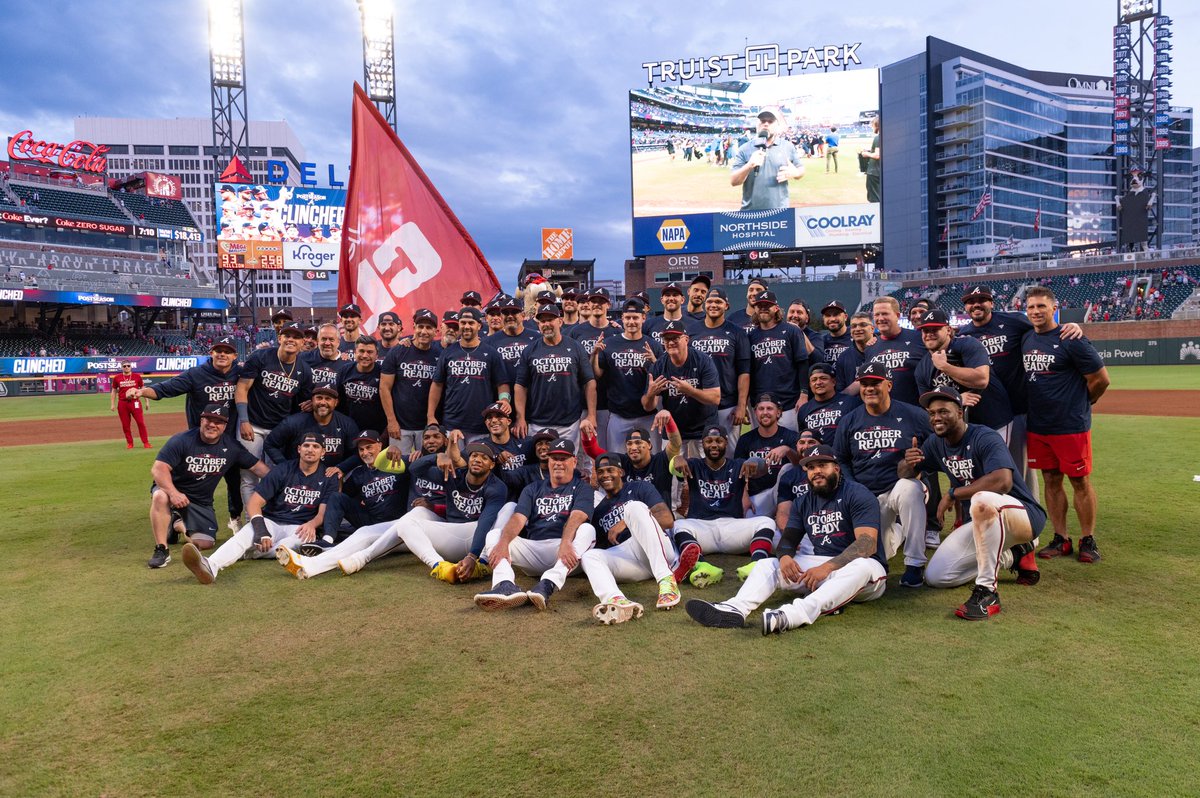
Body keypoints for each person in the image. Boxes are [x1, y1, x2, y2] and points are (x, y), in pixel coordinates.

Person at [684, 444, 887, 635]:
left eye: (822, 466)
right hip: (821, 567)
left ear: (836, 469)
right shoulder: (803, 501)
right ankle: (735, 608)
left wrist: (827, 568)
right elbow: (788, 541)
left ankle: (791, 615)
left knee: (861, 566)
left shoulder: (858, 494)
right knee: (766, 564)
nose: (816, 472)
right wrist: (784, 558)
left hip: (864, 572)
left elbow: (866, 545)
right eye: (811, 467)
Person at [900, 387, 1044, 620]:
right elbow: (905, 473)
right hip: (982, 522)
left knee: (982, 498)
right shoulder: (936, 444)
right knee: (937, 576)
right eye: (932, 413)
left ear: (960, 412)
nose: (936, 417)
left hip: (1022, 515)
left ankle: (988, 592)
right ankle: (1015, 554)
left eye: (944, 411)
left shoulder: (984, 436)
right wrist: (909, 462)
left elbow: (1003, 481)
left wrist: (954, 493)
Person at [957, 285, 1083, 494]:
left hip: (1017, 411)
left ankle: (1029, 513)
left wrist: (1070, 326)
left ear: (991, 303)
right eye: (970, 301)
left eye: (982, 299)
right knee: (987, 468)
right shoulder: (964, 334)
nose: (976, 304)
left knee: (1019, 468)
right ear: (966, 307)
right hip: (984, 412)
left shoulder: (1013, 321)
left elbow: (1045, 330)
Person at [1021, 287, 1110, 563]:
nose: (1036, 311)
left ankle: (1088, 539)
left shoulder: (1072, 338)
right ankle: (1061, 538)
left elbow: (1101, 379)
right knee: (1051, 479)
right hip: (1038, 424)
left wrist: (1084, 403)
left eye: (1041, 306)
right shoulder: (1026, 338)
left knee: (1080, 481)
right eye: (1031, 307)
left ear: (1053, 308)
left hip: (1070, 425)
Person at [181, 432, 336, 584]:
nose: (310, 449)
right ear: (299, 449)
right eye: (306, 445)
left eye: (315, 446)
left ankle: (251, 552)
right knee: (246, 534)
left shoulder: (329, 477)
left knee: (292, 545)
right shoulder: (282, 470)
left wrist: (312, 524)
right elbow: (254, 502)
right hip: (272, 522)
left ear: (323, 451)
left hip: (300, 527)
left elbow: (322, 513)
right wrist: (261, 530)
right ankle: (210, 565)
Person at [832, 363, 932, 587]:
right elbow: (841, 460)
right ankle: (896, 532)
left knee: (910, 489)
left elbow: (937, 445)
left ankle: (915, 563)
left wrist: (922, 461)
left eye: (875, 383)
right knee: (874, 556)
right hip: (866, 495)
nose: (869, 388)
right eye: (864, 384)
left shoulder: (913, 415)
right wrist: (855, 490)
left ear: (888, 384)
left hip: (899, 487)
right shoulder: (849, 420)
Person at [358, 439, 509, 583]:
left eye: (484, 457)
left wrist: (473, 555)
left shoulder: (497, 486)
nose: (477, 459)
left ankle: (482, 564)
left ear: (491, 465)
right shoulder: (454, 475)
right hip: (452, 535)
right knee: (405, 524)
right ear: (468, 459)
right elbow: (415, 469)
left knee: (510, 508)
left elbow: (486, 521)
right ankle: (440, 567)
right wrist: (437, 456)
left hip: (476, 535)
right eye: (474, 455)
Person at [473, 438, 596, 610]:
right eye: (554, 458)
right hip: (534, 550)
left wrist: (566, 542)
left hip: (565, 554)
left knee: (587, 530)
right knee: (495, 535)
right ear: (549, 460)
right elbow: (518, 518)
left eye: (563, 459)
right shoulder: (533, 488)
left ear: (574, 462)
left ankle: (548, 584)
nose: (558, 463)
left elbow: (578, 515)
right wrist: (503, 543)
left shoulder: (582, 488)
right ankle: (505, 585)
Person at [133, 335, 245, 522]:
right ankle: (179, 512)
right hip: (199, 441)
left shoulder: (241, 375)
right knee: (192, 478)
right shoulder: (196, 374)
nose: (222, 354)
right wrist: (141, 392)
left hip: (229, 439)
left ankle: (235, 518)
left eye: (227, 352)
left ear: (235, 355)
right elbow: (164, 389)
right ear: (212, 353)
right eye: (219, 351)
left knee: (235, 480)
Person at [146, 404, 269, 568]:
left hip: (201, 501)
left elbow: (257, 467)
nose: (212, 425)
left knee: (205, 543)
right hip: (173, 492)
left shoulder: (231, 446)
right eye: (208, 419)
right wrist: (173, 493)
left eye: (218, 422)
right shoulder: (182, 440)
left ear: (224, 426)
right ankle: (162, 550)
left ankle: (177, 524)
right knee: (160, 496)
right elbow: (159, 469)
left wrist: (284, 481)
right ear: (201, 420)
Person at [274, 430, 409, 577]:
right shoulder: (359, 473)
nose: (365, 453)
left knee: (357, 538)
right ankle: (327, 541)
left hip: (397, 525)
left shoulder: (397, 462)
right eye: (361, 449)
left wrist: (398, 451)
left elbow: (421, 465)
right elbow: (339, 500)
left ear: (380, 446)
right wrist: (337, 478)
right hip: (371, 522)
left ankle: (314, 560)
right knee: (337, 498)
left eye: (369, 447)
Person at [583, 453, 682, 624]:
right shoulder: (599, 511)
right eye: (600, 472)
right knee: (590, 556)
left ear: (621, 472)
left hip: (657, 550)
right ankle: (616, 600)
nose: (605, 475)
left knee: (633, 508)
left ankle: (667, 581)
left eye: (610, 470)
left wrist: (625, 522)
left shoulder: (639, 488)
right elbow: (602, 548)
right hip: (631, 561)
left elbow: (667, 520)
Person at [670, 426, 771, 588]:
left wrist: (754, 461)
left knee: (766, 522)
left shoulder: (738, 465)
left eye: (719, 441)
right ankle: (702, 565)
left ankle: (757, 564)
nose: (714, 445)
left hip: (732, 529)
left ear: (726, 443)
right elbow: (673, 467)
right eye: (709, 441)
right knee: (678, 525)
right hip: (702, 529)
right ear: (703, 445)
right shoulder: (694, 464)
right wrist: (677, 459)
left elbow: (763, 467)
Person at [234, 321, 313, 508]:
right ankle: (251, 521)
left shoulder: (305, 370)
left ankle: (271, 517)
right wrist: (243, 420)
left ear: (302, 343)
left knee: (276, 476)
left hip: (279, 430)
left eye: (296, 337)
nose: (291, 340)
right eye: (287, 335)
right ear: (280, 338)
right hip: (252, 424)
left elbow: (301, 404)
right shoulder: (260, 357)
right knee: (248, 476)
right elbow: (242, 387)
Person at [914, 309, 1013, 433]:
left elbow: (981, 380)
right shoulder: (922, 368)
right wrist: (957, 399)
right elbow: (928, 406)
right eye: (925, 330)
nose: (929, 334)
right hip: (958, 431)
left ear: (948, 330)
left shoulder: (967, 344)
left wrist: (944, 366)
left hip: (994, 421)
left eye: (935, 329)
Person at [512, 303, 597, 445]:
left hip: (569, 422)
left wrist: (592, 415)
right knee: (541, 464)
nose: (546, 324)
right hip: (538, 421)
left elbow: (589, 382)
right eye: (543, 321)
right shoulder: (530, 350)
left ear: (560, 321)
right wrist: (520, 417)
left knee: (567, 463)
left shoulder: (575, 346)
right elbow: (520, 385)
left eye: (550, 319)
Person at [428, 307, 510, 438]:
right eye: (463, 323)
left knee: (478, 459)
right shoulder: (448, 352)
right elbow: (437, 384)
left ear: (479, 326)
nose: (466, 326)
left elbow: (502, 383)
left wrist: (505, 399)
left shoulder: (491, 352)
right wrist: (431, 415)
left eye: (471, 323)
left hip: (481, 424)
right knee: (453, 459)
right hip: (452, 423)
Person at [593, 299, 662, 452]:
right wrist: (595, 354)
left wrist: (655, 361)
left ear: (643, 318)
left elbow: (663, 378)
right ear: (622, 318)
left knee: (652, 458)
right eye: (628, 318)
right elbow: (598, 374)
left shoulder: (653, 345)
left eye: (636, 317)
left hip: (648, 415)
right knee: (617, 460)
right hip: (619, 415)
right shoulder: (610, 343)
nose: (632, 322)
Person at [642, 321, 720, 454]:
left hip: (703, 430)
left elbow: (715, 398)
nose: (671, 342)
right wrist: (650, 394)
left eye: (675, 338)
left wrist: (690, 391)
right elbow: (648, 406)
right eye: (667, 339)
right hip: (674, 430)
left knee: (703, 473)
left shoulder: (703, 360)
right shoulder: (659, 366)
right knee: (673, 472)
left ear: (686, 339)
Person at [688, 287, 751, 444]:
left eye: (718, 302)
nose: (713, 305)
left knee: (730, 453)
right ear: (704, 304)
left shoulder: (737, 332)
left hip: (728, 405)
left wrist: (741, 405)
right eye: (709, 301)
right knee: (700, 456)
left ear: (726, 306)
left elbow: (744, 372)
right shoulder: (691, 331)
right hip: (699, 404)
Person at [380, 309, 442, 455]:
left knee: (426, 468)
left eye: (429, 328)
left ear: (436, 331)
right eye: (420, 327)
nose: (424, 331)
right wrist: (391, 421)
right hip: (400, 425)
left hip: (427, 426)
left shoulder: (440, 354)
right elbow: (384, 387)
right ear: (414, 327)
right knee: (399, 468)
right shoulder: (398, 351)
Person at [748, 291, 809, 431]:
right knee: (762, 447)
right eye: (759, 305)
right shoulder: (751, 336)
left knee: (790, 445)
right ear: (755, 309)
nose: (763, 308)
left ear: (776, 308)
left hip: (789, 402)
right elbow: (748, 371)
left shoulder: (791, 330)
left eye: (767, 305)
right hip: (760, 403)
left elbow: (802, 363)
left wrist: (804, 394)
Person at [735, 393, 800, 518]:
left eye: (770, 408)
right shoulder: (745, 439)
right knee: (747, 516)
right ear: (755, 413)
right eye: (761, 409)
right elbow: (738, 473)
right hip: (759, 495)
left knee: (787, 468)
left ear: (779, 413)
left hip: (785, 495)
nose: (765, 412)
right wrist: (744, 497)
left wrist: (788, 450)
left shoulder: (790, 436)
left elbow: (801, 466)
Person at [263, 385, 359, 469]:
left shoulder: (347, 424)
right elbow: (270, 444)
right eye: (319, 398)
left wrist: (340, 468)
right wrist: (286, 466)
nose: (323, 402)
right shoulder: (294, 422)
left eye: (328, 398)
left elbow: (357, 453)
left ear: (336, 402)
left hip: (330, 477)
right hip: (297, 475)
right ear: (312, 400)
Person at [729, 109, 805, 211]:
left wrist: (796, 173)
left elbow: (800, 169)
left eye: (770, 121)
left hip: (780, 211)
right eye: (762, 121)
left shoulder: (788, 146)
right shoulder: (745, 148)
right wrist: (749, 165)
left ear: (777, 126)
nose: (766, 124)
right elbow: (734, 181)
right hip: (750, 211)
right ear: (757, 125)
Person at [862, 297, 924, 405]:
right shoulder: (871, 346)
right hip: (883, 413)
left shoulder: (919, 338)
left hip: (915, 410)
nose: (880, 318)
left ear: (897, 316)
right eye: (877, 315)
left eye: (885, 313)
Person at [796, 363, 862, 446]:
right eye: (814, 380)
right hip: (816, 456)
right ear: (810, 385)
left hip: (844, 453)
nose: (818, 382)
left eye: (823, 378)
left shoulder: (851, 402)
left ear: (833, 382)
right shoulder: (804, 410)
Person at [337, 336, 386, 433]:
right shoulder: (345, 370)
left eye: (370, 352)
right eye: (361, 351)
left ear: (377, 355)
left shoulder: (383, 373)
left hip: (376, 429)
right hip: (348, 427)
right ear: (355, 352)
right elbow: (337, 398)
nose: (365, 355)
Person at [644, 282, 700, 348]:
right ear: (662, 300)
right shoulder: (649, 324)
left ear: (682, 300)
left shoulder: (694, 325)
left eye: (675, 295)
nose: (671, 298)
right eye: (667, 295)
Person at [834, 312, 877, 393]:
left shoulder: (883, 350)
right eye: (853, 326)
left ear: (872, 329)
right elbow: (840, 390)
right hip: (853, 404)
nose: (857, 329)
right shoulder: (843, 357)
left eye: (863, 325)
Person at [111, 361, 151, 449]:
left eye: (128, 366)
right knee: (125, 425)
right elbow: (114, 391)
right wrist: (112, 404)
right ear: (121, 367)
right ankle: (130, 443)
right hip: (122, 403)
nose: (126, 367)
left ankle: (146, 442)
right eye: (124, 366)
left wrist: (147, 402)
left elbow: (142, 389)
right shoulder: (117, 378)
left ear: (131, 367)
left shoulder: (137, 376)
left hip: (135, 402)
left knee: (140, 423)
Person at [301, 323, 344, 390]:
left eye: (331, 339)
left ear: (338, 342)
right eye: (323, 339)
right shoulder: (303, 358)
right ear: (318, 341)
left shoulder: (346, 364)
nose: (327, 343)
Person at [820, 301, 853, 366]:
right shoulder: (821, 341)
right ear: (823, 319)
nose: (832, 319)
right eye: (827, 315)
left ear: (845, 317)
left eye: (836, 314)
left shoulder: (856, 336)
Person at [863, 117, 881, 203]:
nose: (872, 127)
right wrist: (870, 151)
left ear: (877, 125)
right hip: (881, 172)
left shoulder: (878, 138)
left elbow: (877, 155)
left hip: (874, 173)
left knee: (874, 198)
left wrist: (866, 154)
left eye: (872, 125)